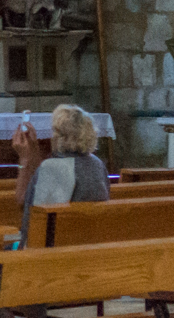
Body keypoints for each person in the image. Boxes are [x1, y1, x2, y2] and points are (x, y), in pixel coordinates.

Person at [13, 105, 109, 246]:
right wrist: (33, 149)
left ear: (59, 136)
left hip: (53, 252)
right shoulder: (97, 165)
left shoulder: (53, 168)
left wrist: (24, 159)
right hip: (89, 245)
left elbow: (26, 207)